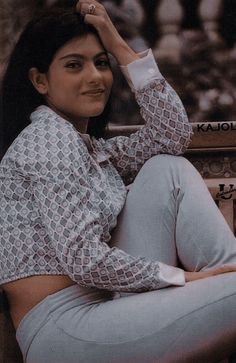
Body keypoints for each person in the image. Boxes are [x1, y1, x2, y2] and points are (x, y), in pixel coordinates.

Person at [0, 1, 236, 362]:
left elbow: (171, 134)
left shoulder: (90, 149)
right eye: (74, 65)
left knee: (166, 168)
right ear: (40, 80)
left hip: (105, 306)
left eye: (101, 62)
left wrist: (119, 44)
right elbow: (83, 260)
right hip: (67, 329)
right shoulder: (48, 139)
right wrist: (185, 279)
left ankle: (227, 274)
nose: (95, 77)